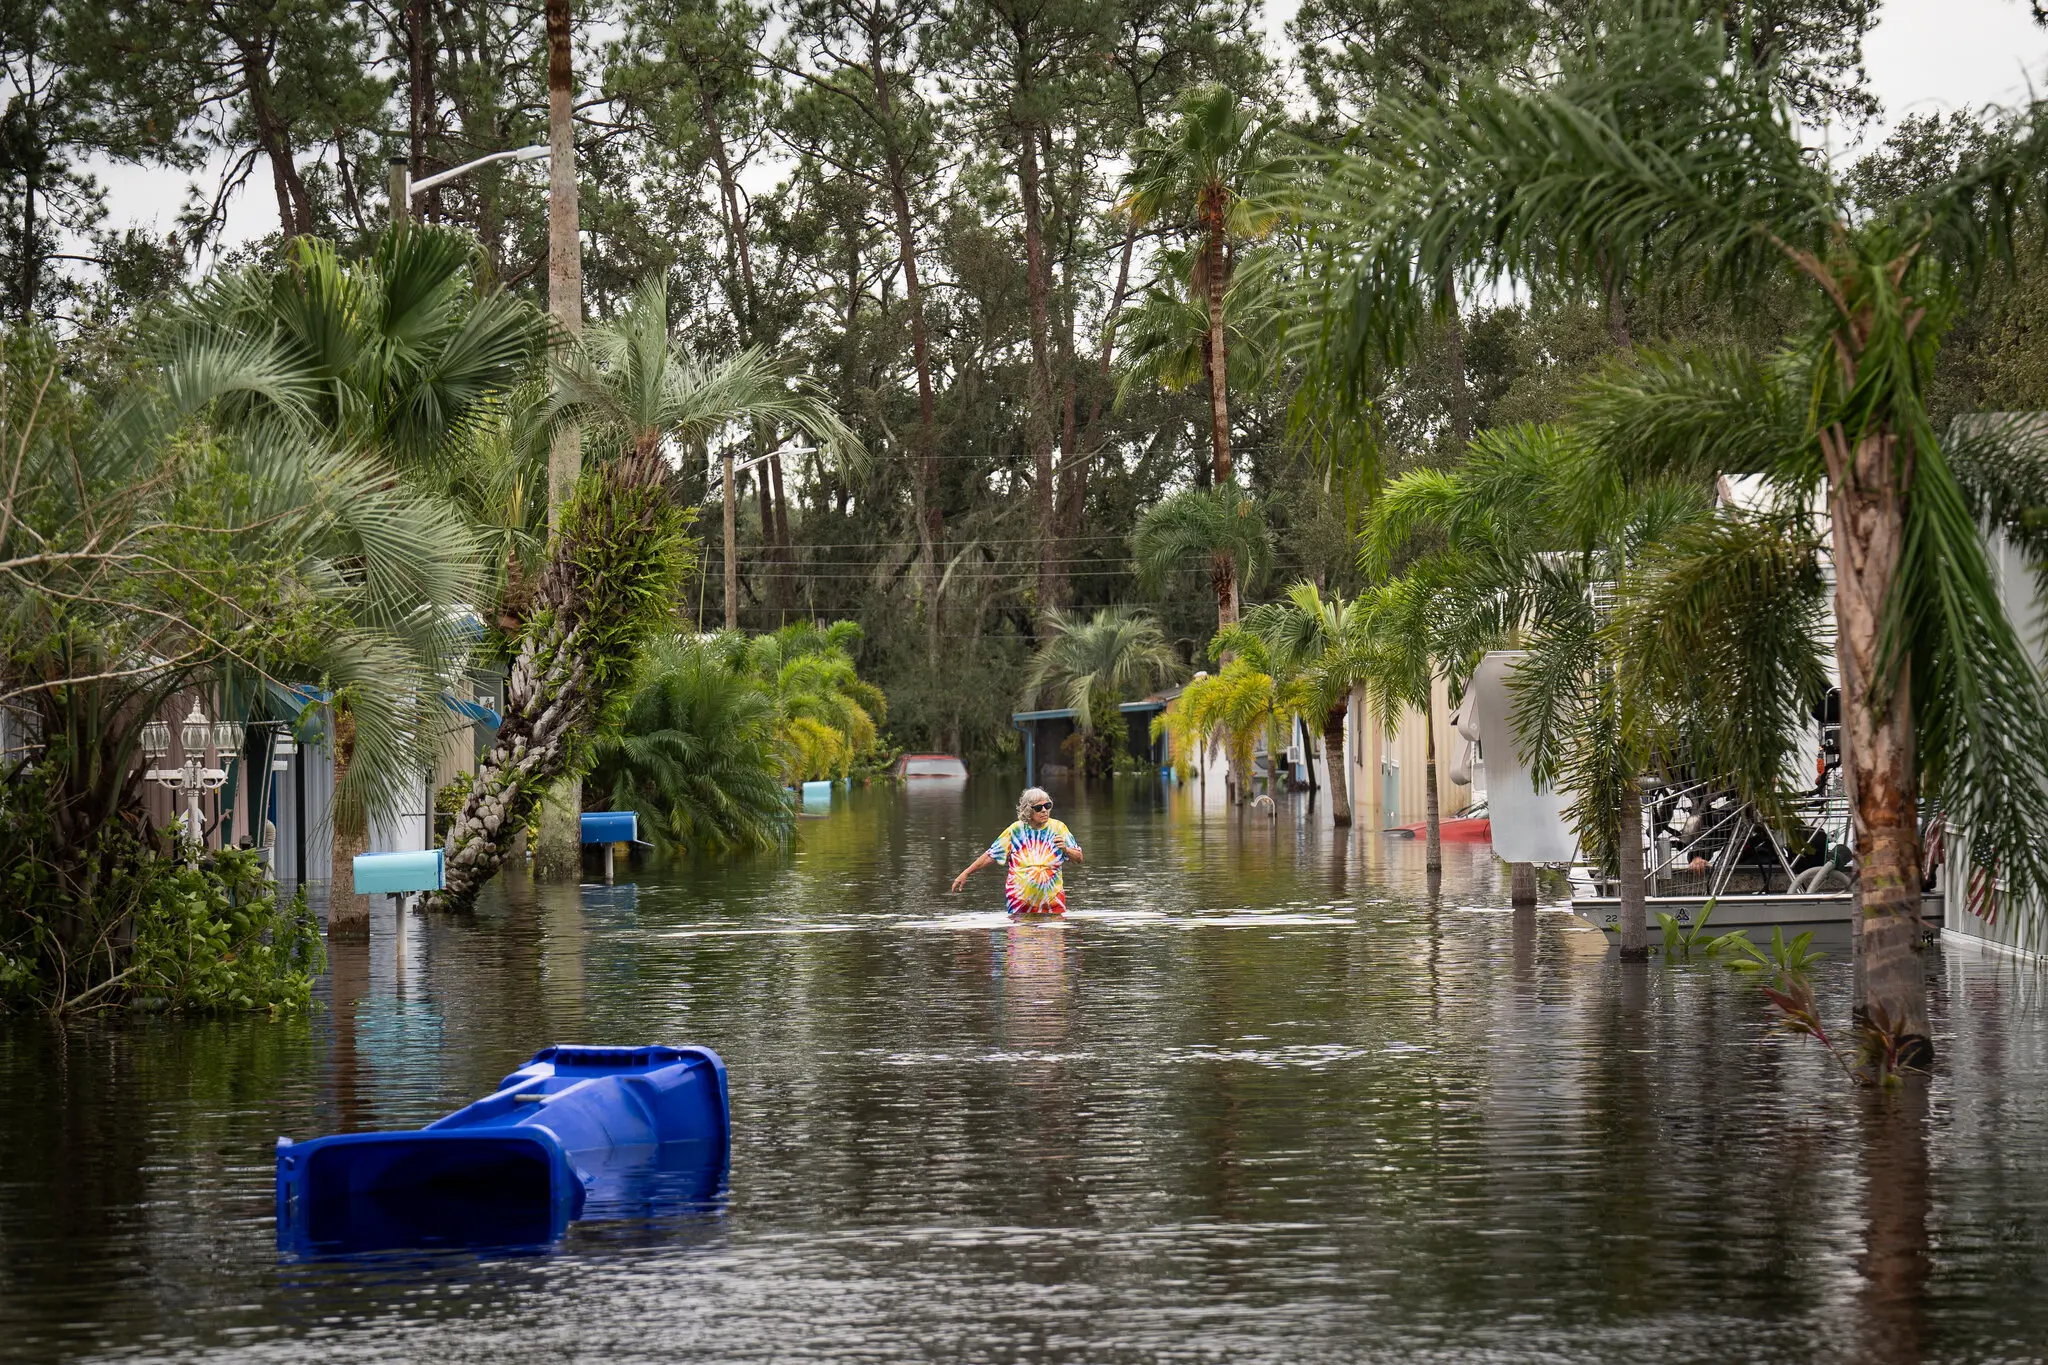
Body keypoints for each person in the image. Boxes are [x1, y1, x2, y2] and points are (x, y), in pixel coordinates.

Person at [951, 787, 1083, 914]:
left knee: (1053, 935)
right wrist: (966, 873)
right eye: (1038, 808)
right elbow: (990, 855)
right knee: (1020, 935)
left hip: (1052, 902)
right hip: (1019, 902)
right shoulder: (1015, 831)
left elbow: (1079, 858)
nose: (1044, 811)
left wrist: (1065, 849)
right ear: (1028, 811)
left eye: (1047, 806)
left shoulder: (1059, 828)